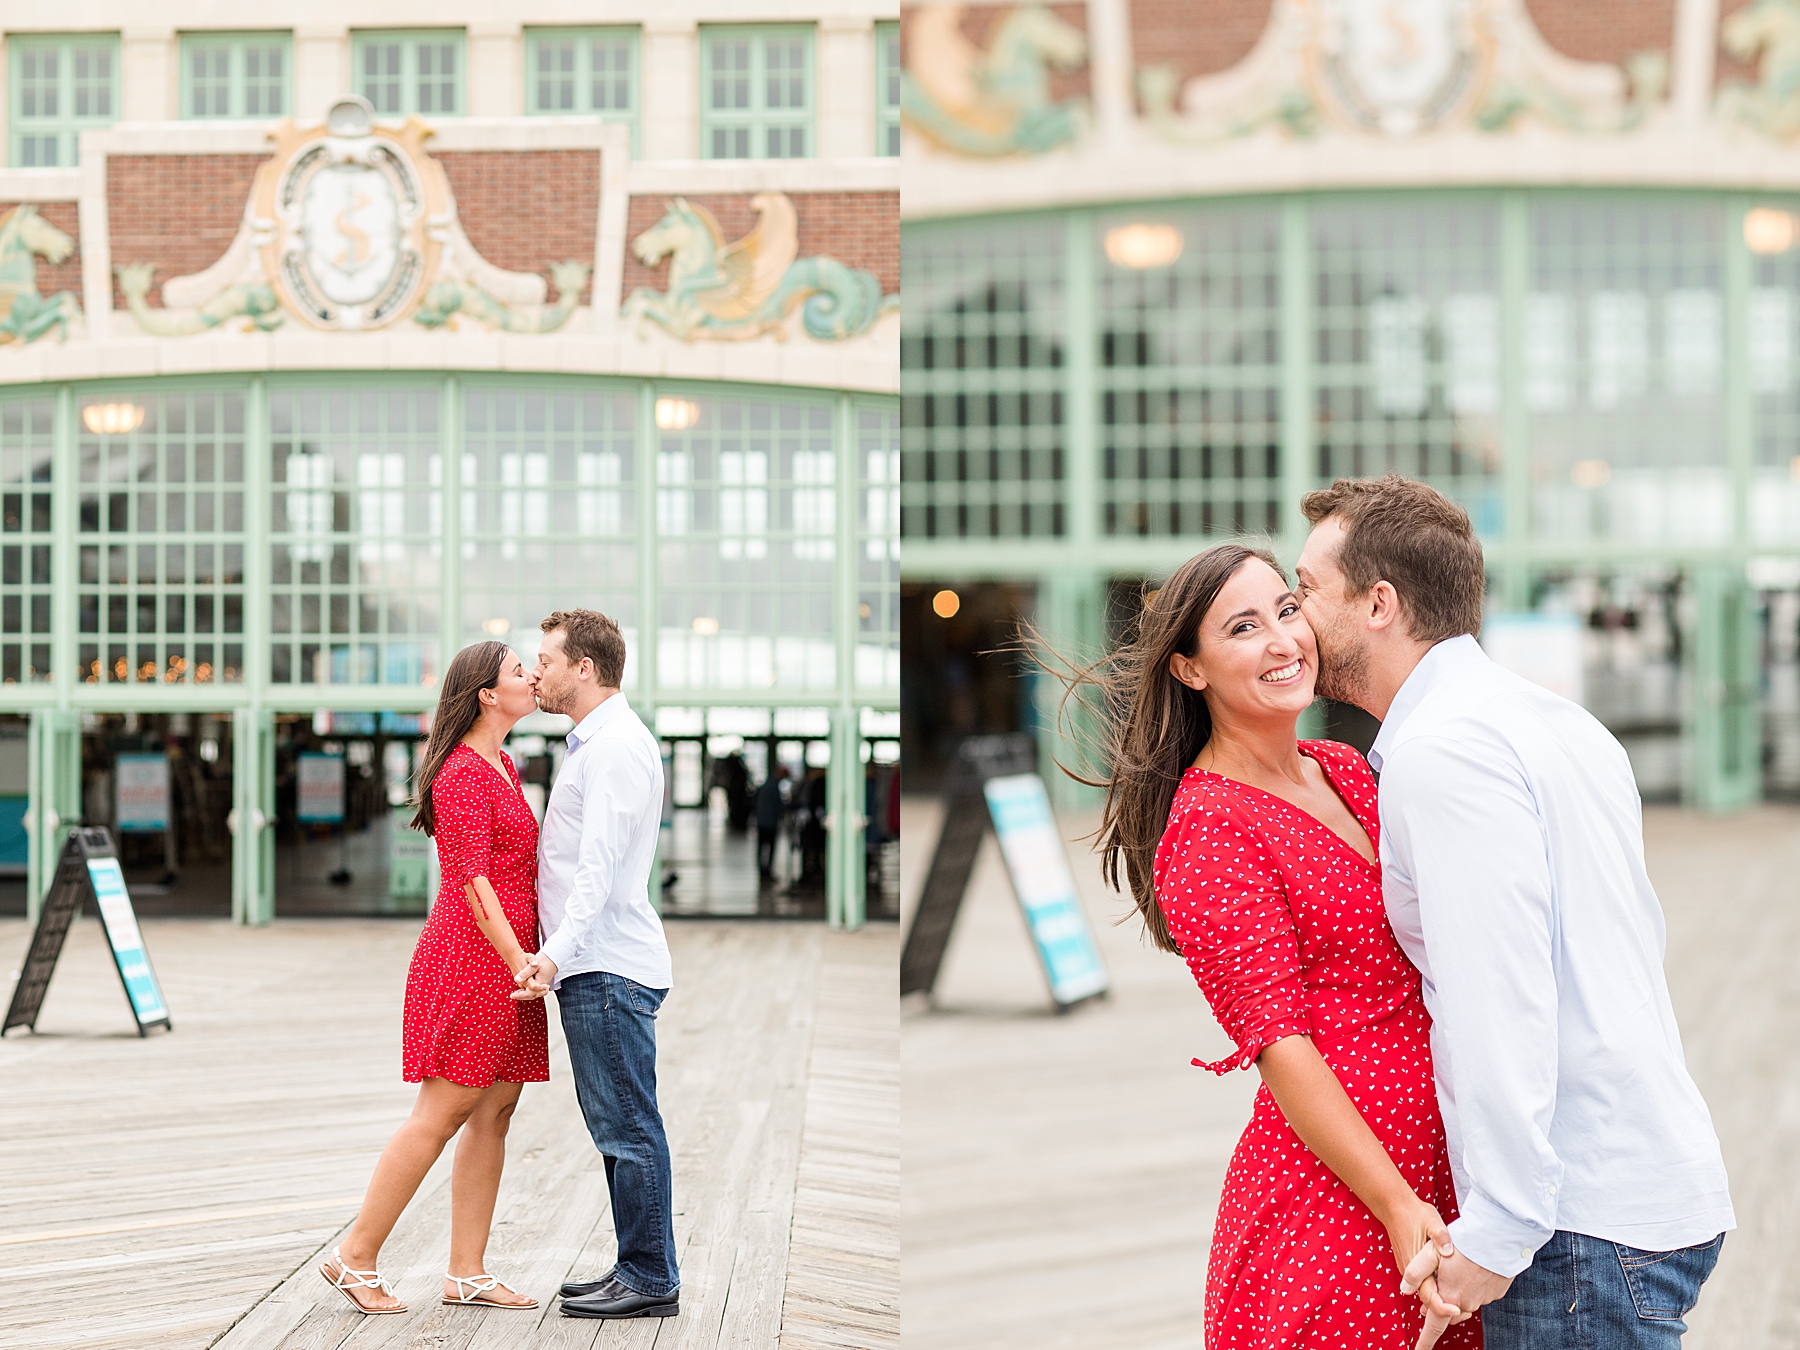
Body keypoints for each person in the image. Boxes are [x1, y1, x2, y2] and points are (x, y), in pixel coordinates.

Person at [1294, 475, 1734, 1350]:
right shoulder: (1560, 724)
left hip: (1577, 1227)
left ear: (1378, 603)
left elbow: (1498, 996)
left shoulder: (1444, 753)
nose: (1294, 613)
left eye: (1306, 589)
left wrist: (1498, 1231)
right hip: (1637, 1182)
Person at [1053, 542, 1471, 1347]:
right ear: (1190, 670)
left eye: (1287, 608)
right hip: (1341, 1204)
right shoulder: (1209, 827)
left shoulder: (1344, 767)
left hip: (1441, 1169)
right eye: (1244, 627)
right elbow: (1280, 1045)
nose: (1285, 641)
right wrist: (1395, 1205)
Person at [319, 641, 545, 1315]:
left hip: (511, 962)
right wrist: (517, 963)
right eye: (517, 672)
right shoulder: (460, 774)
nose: (531, 677)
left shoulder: (501, 762)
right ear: (486, 694)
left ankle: (466, 1272)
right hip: (474, 962)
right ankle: (353, 1255)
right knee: (441, 1113)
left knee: (496, 1111)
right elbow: (472, 879)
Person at [513, 609, 680, 1320]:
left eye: (546, 660)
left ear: (585, 667)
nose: (536, 672)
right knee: (616, 1127)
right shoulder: (594, 743)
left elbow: (599, 870)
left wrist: (551, 955)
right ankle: (636, 1266)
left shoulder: (612, 747)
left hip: (605, 966)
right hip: (599, 964)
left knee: (629, 1127)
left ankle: (650, 1278)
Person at [754, 763, 788, 881]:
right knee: (769, 847)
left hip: (762, 821)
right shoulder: (773, 786)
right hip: (769, 822)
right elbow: (778, 805)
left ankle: (763, 870)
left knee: (762, 847)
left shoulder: (767, 785)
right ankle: (765, 870)